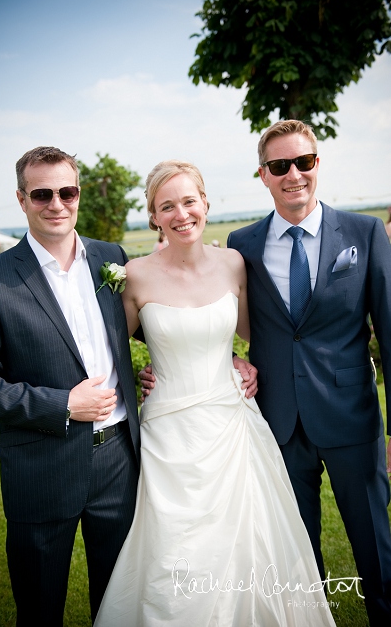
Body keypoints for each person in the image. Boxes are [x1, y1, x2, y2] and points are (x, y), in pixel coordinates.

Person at [95, 160, 334, 625]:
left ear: (205, 203)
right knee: (175, 549)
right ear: (154, 216)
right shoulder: (134, 275)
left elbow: (259, 331)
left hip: (234, 421)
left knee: (251, 542)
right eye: (168, 206)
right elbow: (111, 352)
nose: (181, 213)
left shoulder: (234, 264)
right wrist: (144, 371)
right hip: (170, 432)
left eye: (189, 201)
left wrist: (238, 360)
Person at [0, 146, 141, 625]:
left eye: (67, 191)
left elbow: (154, 325)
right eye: (42, 194)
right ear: (21, 199)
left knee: (120, 603)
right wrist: (63, 403)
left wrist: (224, 355)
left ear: (79, 194)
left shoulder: (112, 258)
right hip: (40, 467)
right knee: (40, 608)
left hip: (119, 462)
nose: (56, 203)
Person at [226, 120, 391, 625]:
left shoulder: (363, 232)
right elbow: (207, 309)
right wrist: (222, 359)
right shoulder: (241, 244)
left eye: (303, 162)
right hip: (278, 423)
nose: (293, 174)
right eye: (280, 166)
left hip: (352, 421)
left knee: (376, 555)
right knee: (296, 560)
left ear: (317, 165)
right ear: (263, 175)